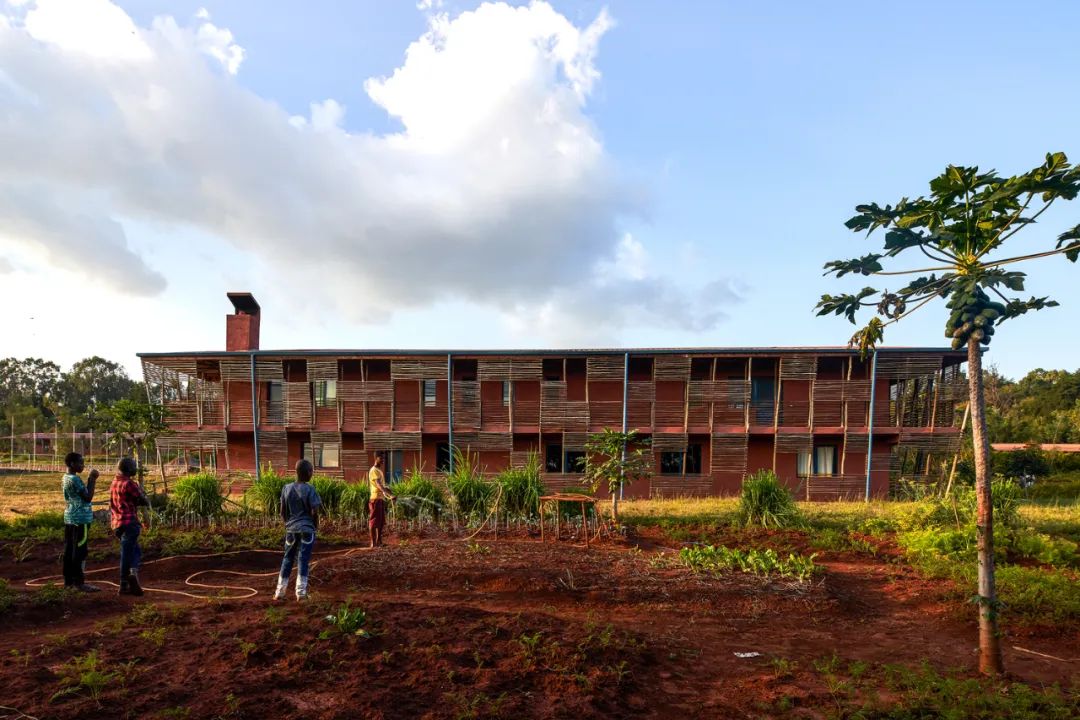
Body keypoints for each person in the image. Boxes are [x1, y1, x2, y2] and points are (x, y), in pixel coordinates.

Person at [275, 459, 322, 601]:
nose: (312, 474)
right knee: (303, 559)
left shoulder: (286, 488)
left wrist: (287, 525)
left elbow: (282, 512)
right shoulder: (310, 489)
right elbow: (315, 511)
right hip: (306, 529)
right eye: (311, 471)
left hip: (291, 529)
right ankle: (301, 593)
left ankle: (280, 592)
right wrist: (315, 527)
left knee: (287, 559)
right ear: (308, 473)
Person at [110, 457, 149, 596]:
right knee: (128, 553)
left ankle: (125, 583)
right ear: (127, 469)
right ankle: (127, 579)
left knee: (134, 551)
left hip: (117, 523)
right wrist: (144, 497)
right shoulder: (129, 483)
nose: (135, 469)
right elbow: (142, 500)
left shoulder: (114, 482)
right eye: (133, 466)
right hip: (130, 522)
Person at [61, 452, 100, 592]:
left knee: (69, 549)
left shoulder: (66, 477)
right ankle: (79, 583)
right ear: (72, 464)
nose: (83, 465)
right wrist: (92, 479)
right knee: (80, 550)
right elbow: (88, 497)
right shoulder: (75, 480)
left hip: (70, 517)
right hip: (80, 520)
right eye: (80, 463)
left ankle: (68, 581)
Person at [367, 454, 395, 549]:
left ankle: (379, 542)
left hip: (380, 499)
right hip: (375, 499)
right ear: (376, 458)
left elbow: (381, 485)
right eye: (381, 458)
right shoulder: (373, 470)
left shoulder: (379, 471)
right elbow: (378, 485)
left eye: (384, 458)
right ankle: (373, 543)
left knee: (381, 521)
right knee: (374, 521)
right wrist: (390, 495)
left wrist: (388, 490)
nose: (383, 460)